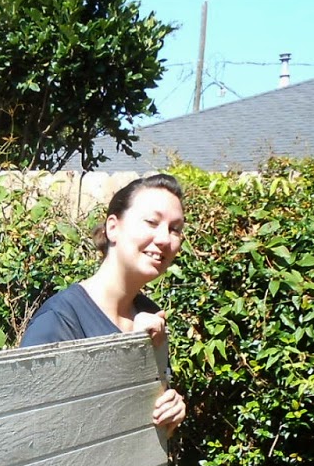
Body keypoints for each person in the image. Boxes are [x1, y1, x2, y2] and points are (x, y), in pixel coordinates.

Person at [20, 172, 188, 433]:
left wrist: (168, 414)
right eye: (152, 222)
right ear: (113, 228)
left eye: (174, 229)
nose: (165, 239)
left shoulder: (150, 315)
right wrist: (129, 350)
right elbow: (31, 432)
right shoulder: (59, 321)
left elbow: (139, 422)